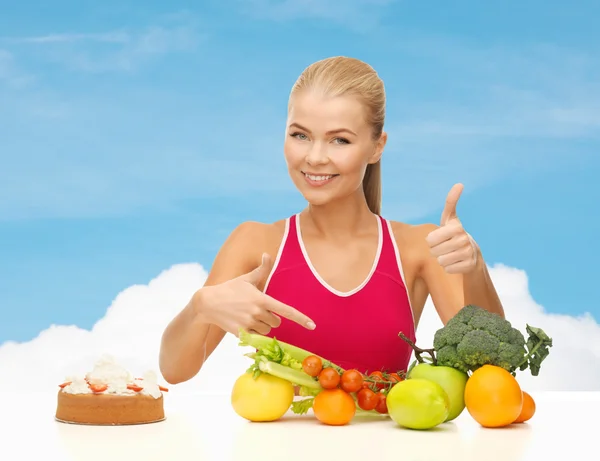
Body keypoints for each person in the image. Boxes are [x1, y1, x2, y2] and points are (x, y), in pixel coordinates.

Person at [159, 56, 505, 385]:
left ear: (376, 146)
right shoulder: (254, 242)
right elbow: (175, 371)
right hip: (276, 448)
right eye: (300, 135)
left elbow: (491, 368)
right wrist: (200, 306)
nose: (315, 157)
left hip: (386, 448)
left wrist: (474, 268)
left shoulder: (419, 247)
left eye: (339, 140)